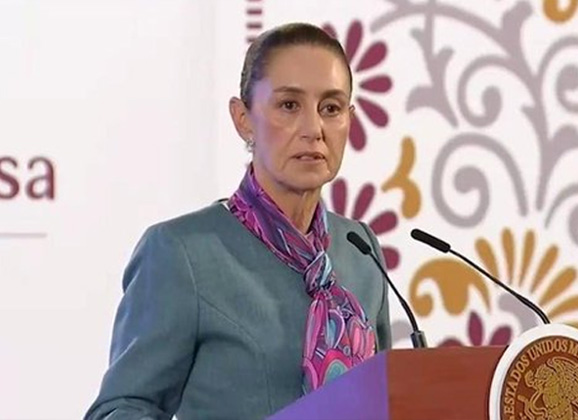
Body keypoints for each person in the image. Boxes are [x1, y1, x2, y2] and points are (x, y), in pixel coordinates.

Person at [85, 23, 391, 419]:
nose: (314, 129)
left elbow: (386, 399)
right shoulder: (182, 253)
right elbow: (120, 409)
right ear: (243, 118)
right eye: (289, 106)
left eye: (330, 108)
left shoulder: (359, 248)